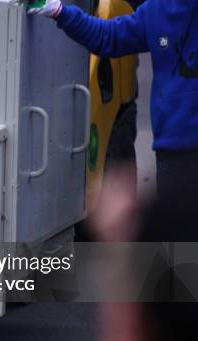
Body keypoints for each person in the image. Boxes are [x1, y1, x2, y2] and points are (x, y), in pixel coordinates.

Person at [29, 0, 198, 199]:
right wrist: (58, 10)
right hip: (174, 156)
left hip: (176, 153)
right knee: (179, 228)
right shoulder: (159, 9)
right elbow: (108, 36)